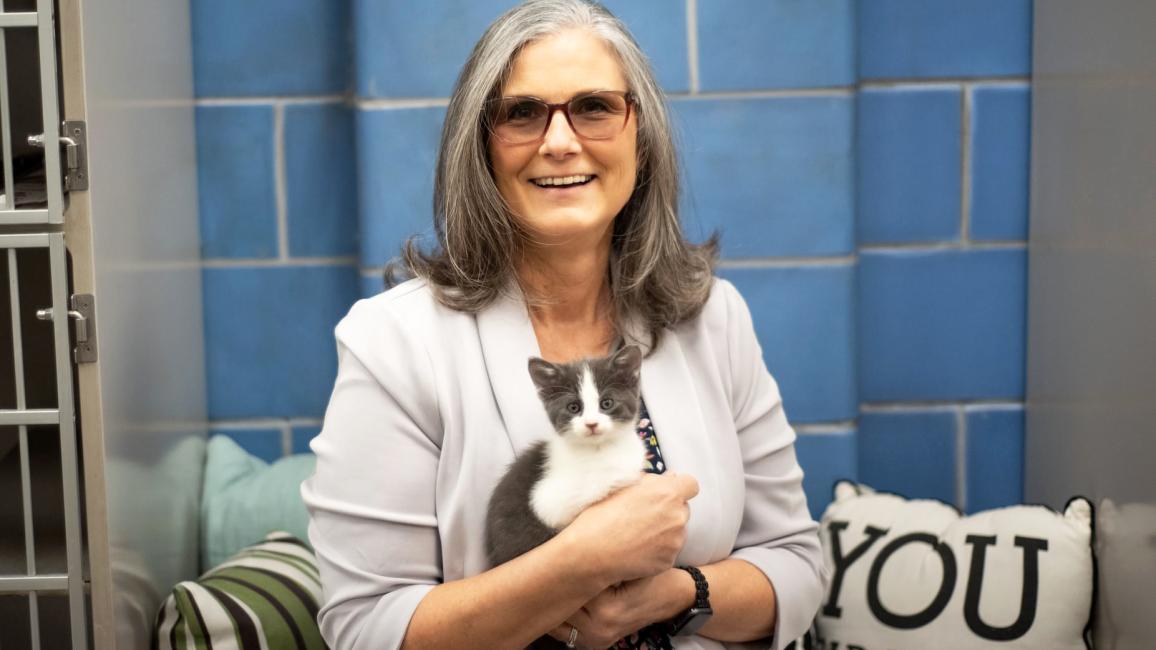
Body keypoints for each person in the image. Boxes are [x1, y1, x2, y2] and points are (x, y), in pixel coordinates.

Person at [301, 1, 826, 648]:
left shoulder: (714, 318)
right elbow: (364, 628)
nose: (559, 141)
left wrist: (677, 595)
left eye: (595, 107)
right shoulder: (396, 343)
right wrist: (579, 564)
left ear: (642, 135)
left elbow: (798, 566)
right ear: (482, 146)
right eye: (522, 113)